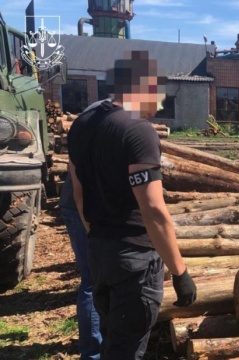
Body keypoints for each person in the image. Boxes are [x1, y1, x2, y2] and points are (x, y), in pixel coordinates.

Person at [67, 50, 196, 359]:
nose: (159, 104)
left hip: (99, 249)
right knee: (127, 350)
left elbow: (78, 193)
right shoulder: (137, 132)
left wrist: (96, 235)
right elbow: (152, 209)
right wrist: (180, 272)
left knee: (112, 339)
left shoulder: (82, 125)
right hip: (134, 261)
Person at [60, 176, 102, 360]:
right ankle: (94, 353)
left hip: (86, 203)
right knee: (93, 280)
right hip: (83, 206)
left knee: (96, 278)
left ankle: (101, 346)